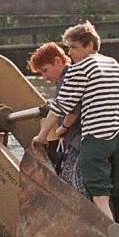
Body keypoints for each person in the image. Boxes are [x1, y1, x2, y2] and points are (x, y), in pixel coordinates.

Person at [33, 21, 119, 236]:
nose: (70, 53)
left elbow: (61, 107)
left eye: (73, 47)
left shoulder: (80, 68)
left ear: (89, 45)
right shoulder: (113, 64)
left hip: (97, 138)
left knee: (100, 194)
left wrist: (42, 136)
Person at [28, 42, 84, 192]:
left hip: (79, 141)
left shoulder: (66, 80)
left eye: (45, 70)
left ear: (58, 61)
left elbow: (73, 110)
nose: (45, 77)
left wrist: (62, 127)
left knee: (71, 182)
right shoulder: (76, 75)